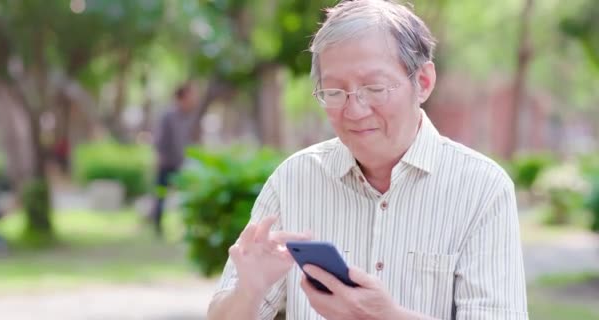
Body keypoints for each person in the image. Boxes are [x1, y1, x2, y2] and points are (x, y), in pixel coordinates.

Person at [208, 1, 528, 319]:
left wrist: (385, 316)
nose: (355, 110)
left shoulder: (482, 187)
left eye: (374, 88)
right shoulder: (293, 179)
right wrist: (248, 291)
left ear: (423, 82)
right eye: (334, 92)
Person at [152, 82, 197, 237]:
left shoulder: (188, 116)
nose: (193, 99)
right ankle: (157, 226)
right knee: (160, 195)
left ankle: (185, 229)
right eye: (191, 95)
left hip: (180, 164)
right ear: (182, 96)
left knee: (185, 198)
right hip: (166, 163)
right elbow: (159, 140)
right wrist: (160, 158)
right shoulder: (167, 115)